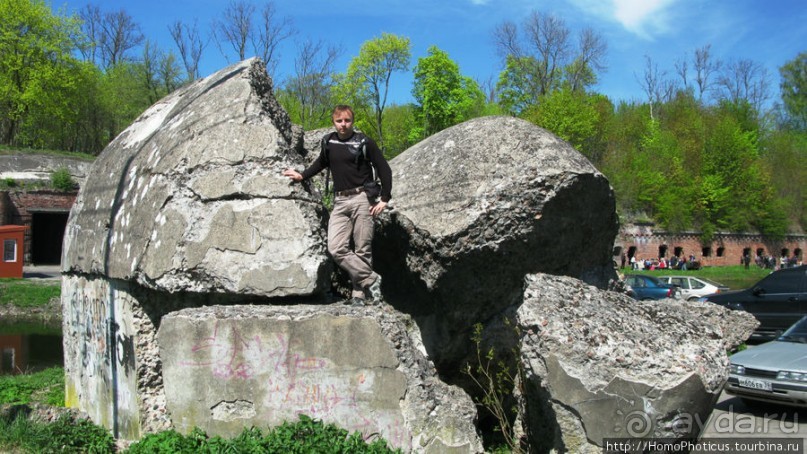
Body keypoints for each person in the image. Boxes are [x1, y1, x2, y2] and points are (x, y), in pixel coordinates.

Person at [282, 105, 392, 306]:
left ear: (353, 121)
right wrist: (302, 175)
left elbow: (384, 168)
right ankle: (371, 279)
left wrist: (384, 198)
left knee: (362, 248)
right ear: (334, 122)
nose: (343, 125)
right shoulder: (329, 142)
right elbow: (321, 163)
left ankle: (359, 296)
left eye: (347, 120)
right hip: (340, 200)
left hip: (362, 198)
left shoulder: (364, 142)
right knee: (335, 247)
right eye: (339, 121)